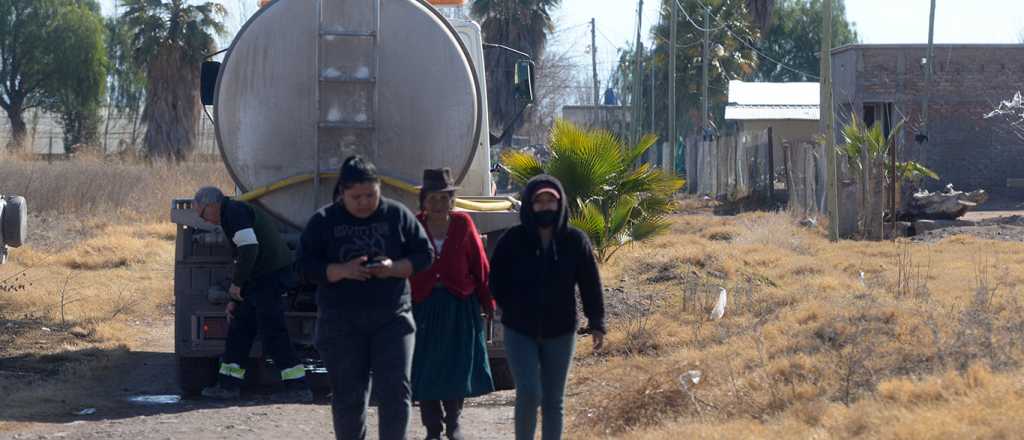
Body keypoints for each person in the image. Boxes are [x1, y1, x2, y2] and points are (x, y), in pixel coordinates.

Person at [298, 156, 434, 440]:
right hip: (341, 322)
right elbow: (304, 266)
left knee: (396, 393)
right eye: (355, 196)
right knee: (349, 396)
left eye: (370, 195)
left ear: (380, 188)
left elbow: (424, 255)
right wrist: (341, 270)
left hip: (393, 318)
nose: (363, 202)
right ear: (342, 193)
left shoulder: (396, 215)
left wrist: (393, 268)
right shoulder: (324, 221)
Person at [488, 174, 606, 440]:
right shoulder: (513, 240)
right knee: (529, 393)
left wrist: (597, 321)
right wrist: (509, 307)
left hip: (561, 331)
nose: (545, 207)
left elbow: (590, 283)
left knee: (554, 400)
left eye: (550, 201)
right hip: (519, 330)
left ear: (560, 204)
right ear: (529, 205)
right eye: (538, 201)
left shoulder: (575, 241)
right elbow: (496, 279)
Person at [192, 186, 312, 402]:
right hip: (260, 278)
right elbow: (245, 258)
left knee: (273, 332)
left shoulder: (234, 213)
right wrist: (234, 300)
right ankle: (228, 386)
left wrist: (237, 285)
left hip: (270, 277)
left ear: (213, 205)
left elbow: (249, 249)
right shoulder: (231, 214)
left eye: (203, 214)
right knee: (240, 328)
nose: (205, 220)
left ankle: (298, 388)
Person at [409, 168, 496, 440]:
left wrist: (488, 302)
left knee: (456, 367)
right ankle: (432, 428)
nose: (438, 204)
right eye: (432, 198)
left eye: (444, 198)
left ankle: (454, 422)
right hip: (423, 305)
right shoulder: (414, 225)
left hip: (458, 305)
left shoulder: (462, 225)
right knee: (425, 368)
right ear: (424, 200)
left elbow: (480, 266)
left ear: (452, 201)